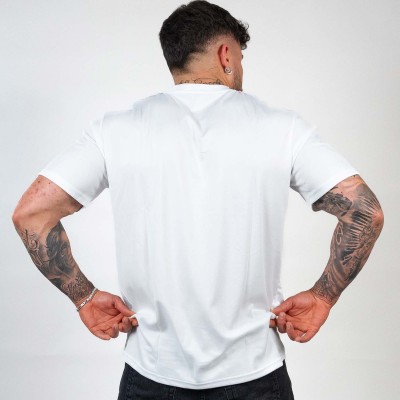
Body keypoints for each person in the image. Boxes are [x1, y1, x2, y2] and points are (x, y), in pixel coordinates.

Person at [12, 1, 384, 399]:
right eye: (240, 58)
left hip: (151, 374)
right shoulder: (284, 128)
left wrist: (83, 296)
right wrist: (324, 296)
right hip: (255, 375)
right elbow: (365, 213)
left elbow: (32, 214)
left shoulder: (115, 129)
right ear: (226, 55)